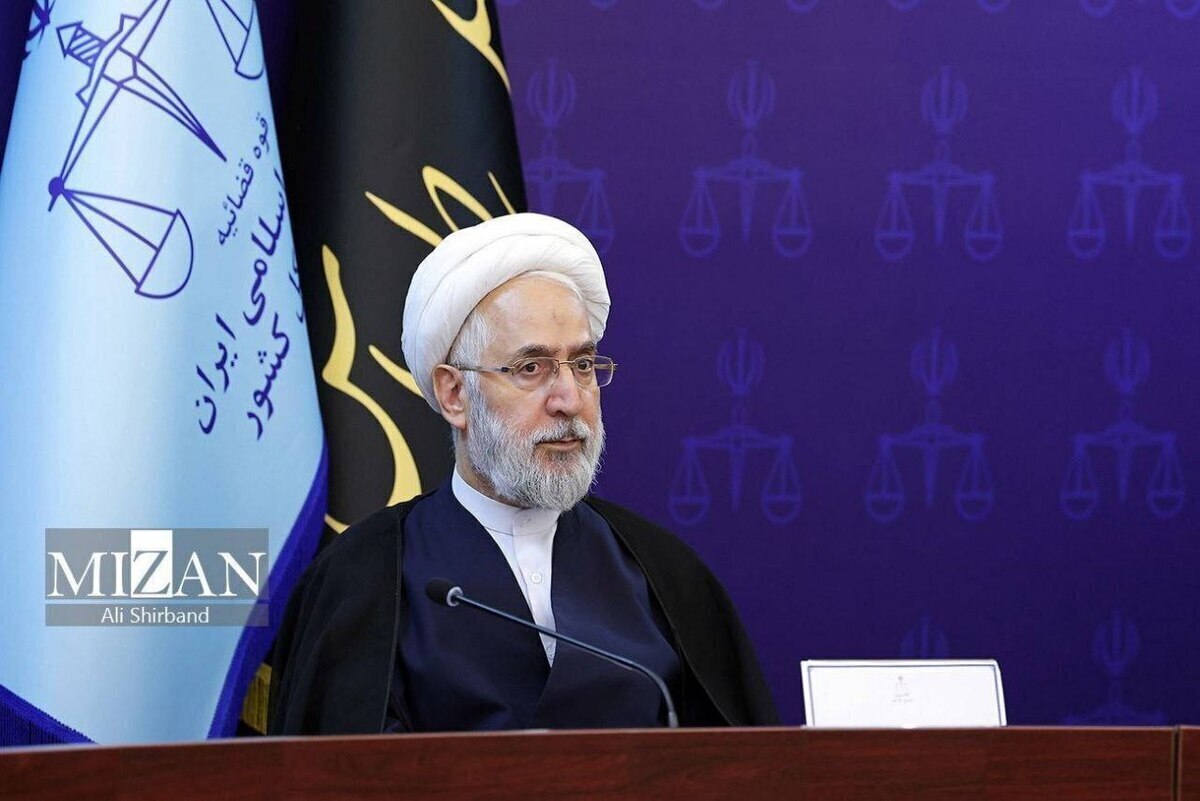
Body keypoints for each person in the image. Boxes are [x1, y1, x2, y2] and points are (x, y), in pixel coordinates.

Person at [268, 213, 777, 734]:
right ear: (454, 394)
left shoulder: (662, 573)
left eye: (583, 365)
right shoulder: (364, 578)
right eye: (531, 368)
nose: (569, 399)